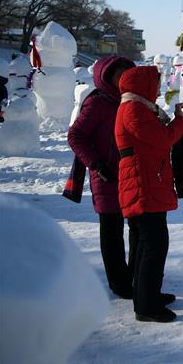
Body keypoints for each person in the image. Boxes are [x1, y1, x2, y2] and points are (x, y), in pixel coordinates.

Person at [115, 66, 183, 322]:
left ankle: (146, 295)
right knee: (153, 244)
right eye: (155, 84)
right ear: (143, 86)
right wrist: (181, 122)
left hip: (146, 180)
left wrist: (176, 118)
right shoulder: (133, 110)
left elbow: (155, 137)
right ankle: (146, 306)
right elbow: (162, 139)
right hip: (142, 183)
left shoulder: (139, 109)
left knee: (145, 243)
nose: (158, 89)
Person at [67, 56, 137, 298]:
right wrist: (96, 164)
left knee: (138, 228)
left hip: (131, 174)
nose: (124, 80)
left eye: (127, 75)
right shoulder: (97, 102)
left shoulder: (131, 100)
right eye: (119, 75)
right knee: (112, 231)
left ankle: (136, 275)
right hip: (105, 175)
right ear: (107, 76)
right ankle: (119, 282)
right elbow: (76, 136)